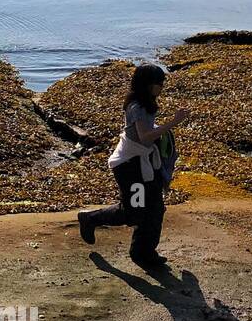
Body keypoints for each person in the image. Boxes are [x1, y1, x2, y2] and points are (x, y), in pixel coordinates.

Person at [78, 64, 189, 269]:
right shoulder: (136, 106)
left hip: (144, 164)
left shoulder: (147, 103)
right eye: (159, 83)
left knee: (155, 208)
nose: (162, 87)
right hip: (130, 168)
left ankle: (144, 252)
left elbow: (146, 134)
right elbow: (145, 137)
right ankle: (90, 219)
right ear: (147, 85)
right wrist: (173, 123)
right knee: (134, 210)